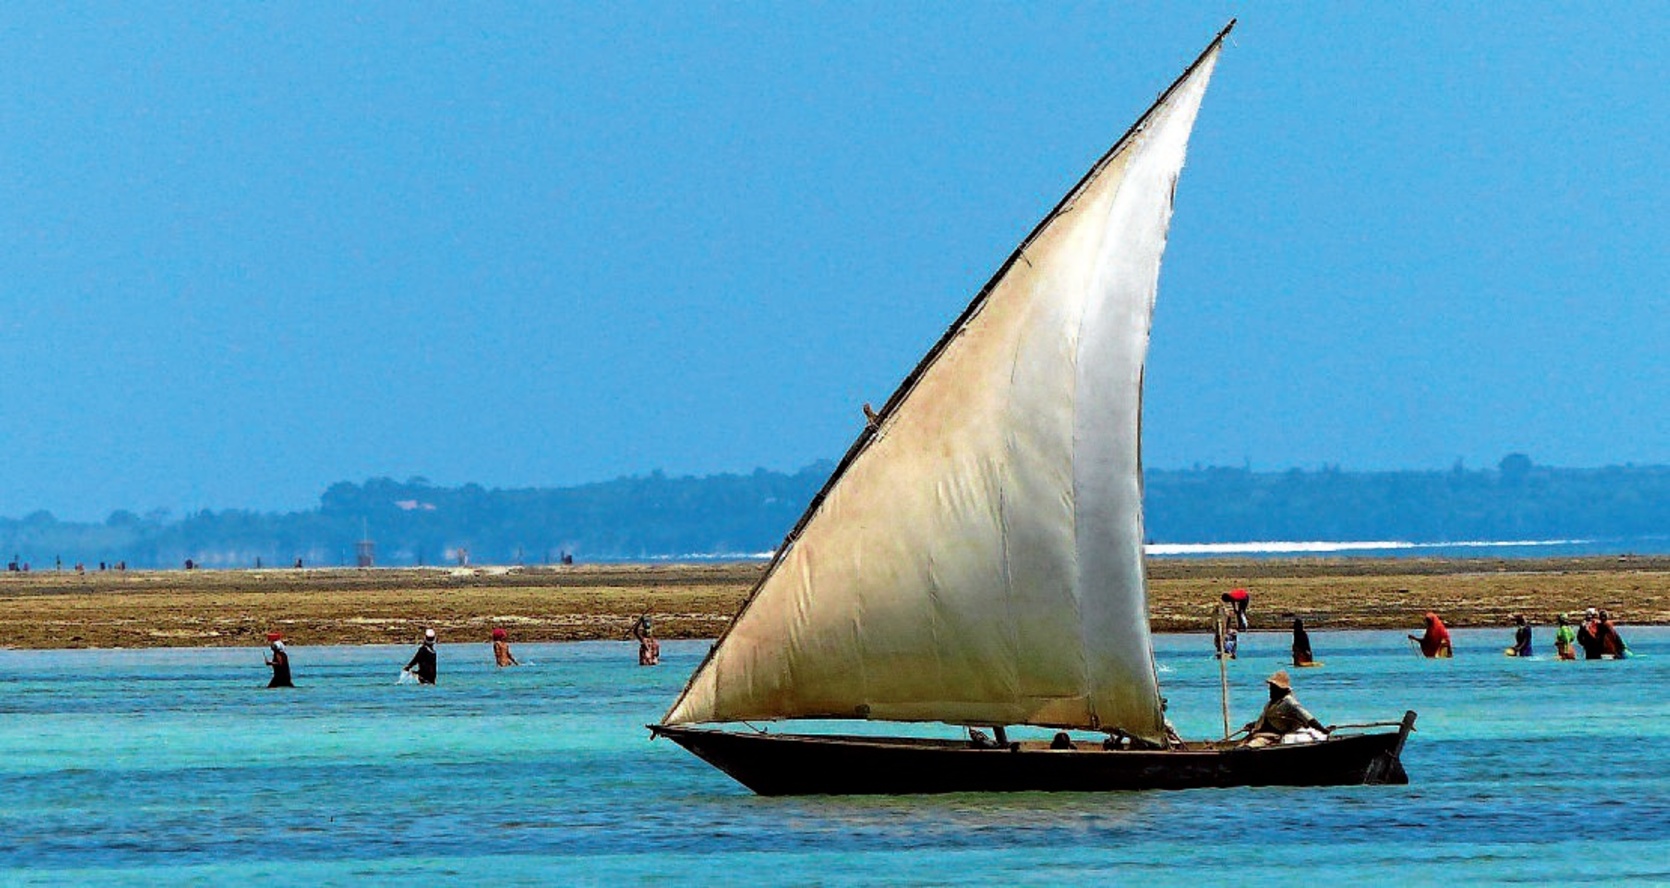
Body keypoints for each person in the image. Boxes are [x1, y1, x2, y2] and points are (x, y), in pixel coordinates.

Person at [1242, 670, 1329, 747]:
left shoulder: (1289, 702)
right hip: (1260, 733)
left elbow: (1308, 718)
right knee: (1242, 744)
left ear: (1280, 689)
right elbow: (1268, 719)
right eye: (1271, 688)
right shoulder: (1271, 703)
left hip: (1273, 736)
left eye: (1273, 688)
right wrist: (1253, 725)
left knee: (1251, 746)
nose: (1270, 690)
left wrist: (1323, 730)